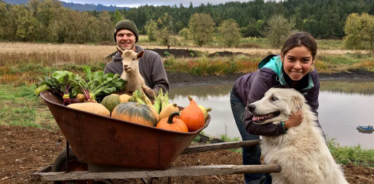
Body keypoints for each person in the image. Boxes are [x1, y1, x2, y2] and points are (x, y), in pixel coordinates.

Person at [230, 32, 325, 184]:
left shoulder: (311, 78)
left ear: (313, 60)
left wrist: (322, 149)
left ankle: (269, 180)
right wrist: (285, 125)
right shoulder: (266, 76)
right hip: (243, 99)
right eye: (291, 59)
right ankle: (253, 181)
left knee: (277, 144)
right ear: (282, 57)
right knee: (252, 144)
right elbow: (250, 124)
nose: (298, 66)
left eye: (305, 60)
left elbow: (311, 115)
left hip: (273, 104)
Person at [104, 19, 169, 95]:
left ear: (135, 38)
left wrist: (149, 96)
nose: (125, 38)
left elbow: (162, 86)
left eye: (129, 35)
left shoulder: (152, 58)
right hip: (123, 106)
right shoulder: (110, 68)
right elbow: (108, 95)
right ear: (116, 38)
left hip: (152, 105)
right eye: (120, 35)